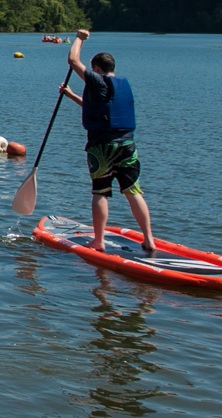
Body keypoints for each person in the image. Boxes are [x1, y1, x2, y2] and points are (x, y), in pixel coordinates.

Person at [58, 29, 157, 256]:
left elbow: (73, 60)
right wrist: (71, 95)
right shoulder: (121, 85)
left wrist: (80, 39)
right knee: (133, 191)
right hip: (127, 146)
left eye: (93, 70)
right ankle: (149, 239)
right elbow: (99, 110)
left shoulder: (98, 80)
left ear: (98, 69)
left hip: (102, 147)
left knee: (100, 191)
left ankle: (98, 242)